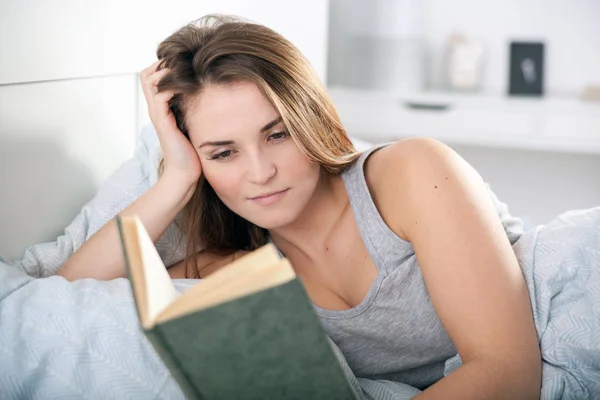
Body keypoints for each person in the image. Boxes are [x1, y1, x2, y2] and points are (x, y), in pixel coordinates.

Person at [56, 15, 599, 399]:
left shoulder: (411, 174)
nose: (260, 172)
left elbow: (507, 371)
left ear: (309, 118)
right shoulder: (230, 268)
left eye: (277, 135)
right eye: (223, 153)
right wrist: (176, 176)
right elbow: (69, 295)